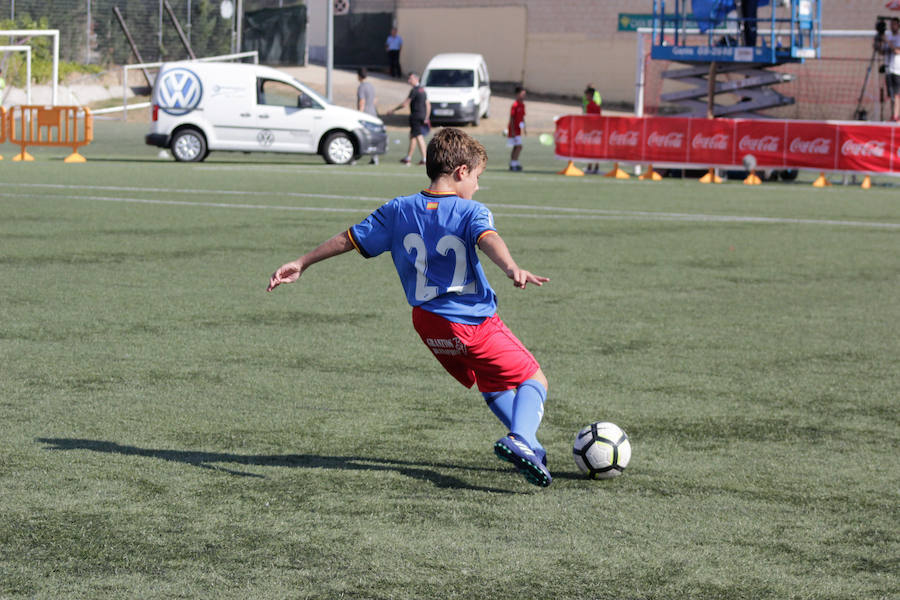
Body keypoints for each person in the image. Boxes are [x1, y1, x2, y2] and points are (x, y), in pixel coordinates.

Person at [267, 127, 553, 488]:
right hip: (471, 321)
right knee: (533, 378)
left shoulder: (398, 209)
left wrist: (303, 261)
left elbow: (349, 238)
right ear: (462, 171)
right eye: (477, 177)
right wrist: (511, 267)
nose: (478, 187)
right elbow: (488, 239)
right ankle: (521, 440)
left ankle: (533, 449)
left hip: (429, 324)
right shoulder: (471, 211)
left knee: (493, 383)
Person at [388, 72, 430, 165]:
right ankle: (408, 157)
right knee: (413, 136)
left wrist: (393, 110)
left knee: (418, 136)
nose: (408, 81)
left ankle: (425, 158)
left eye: (410, 79)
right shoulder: (422, 90)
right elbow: (428, 104)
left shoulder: (414, 90)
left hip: (415, 116)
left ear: (416, 79)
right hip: (421, 116)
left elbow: (405, 104)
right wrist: (426, 116)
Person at [356, 68, 379, 164]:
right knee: (371, 136)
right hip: (373, 113)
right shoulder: (371, 86)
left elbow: (362, 101)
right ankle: (375, 157)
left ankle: (355, 157)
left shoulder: (361, 87)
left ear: (358, 76)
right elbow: (375, 100)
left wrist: (360, 114)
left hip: (365, 114)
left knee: (359, 135)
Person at [882, 17, 900, 122]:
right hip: (889, 68)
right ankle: (893, 115)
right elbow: (883, 52)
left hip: (898, 70)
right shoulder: (888, 37)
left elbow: (897, 51)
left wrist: (888, 42)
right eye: (891, 24)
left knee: (897, 94)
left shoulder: (899, 37)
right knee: (891, 95)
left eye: (894, 24)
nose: (892, 26)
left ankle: (896, 116)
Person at [583, 85, 602, 174]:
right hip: (597, 129)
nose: (586, 97)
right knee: (596, 148)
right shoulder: (596, 105)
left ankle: (590, 167)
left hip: (591, 129)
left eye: (587, 95)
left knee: (590, 148)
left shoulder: (590, 105)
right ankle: (596, 167)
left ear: (590, 95)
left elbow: (589, 118)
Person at [507, 85, 526, 171]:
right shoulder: (514, 105)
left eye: (524, 94)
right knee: (519, 147)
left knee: (516, 147)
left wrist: (524, 128)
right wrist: (512, 131)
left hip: (518, 130)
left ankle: (513, 163)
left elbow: (522, 118)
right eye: (522, 94)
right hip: (514, 130)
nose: (523, 96)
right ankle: (514, 163)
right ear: (517, 94)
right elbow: (512, 119)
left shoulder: (522, 105)